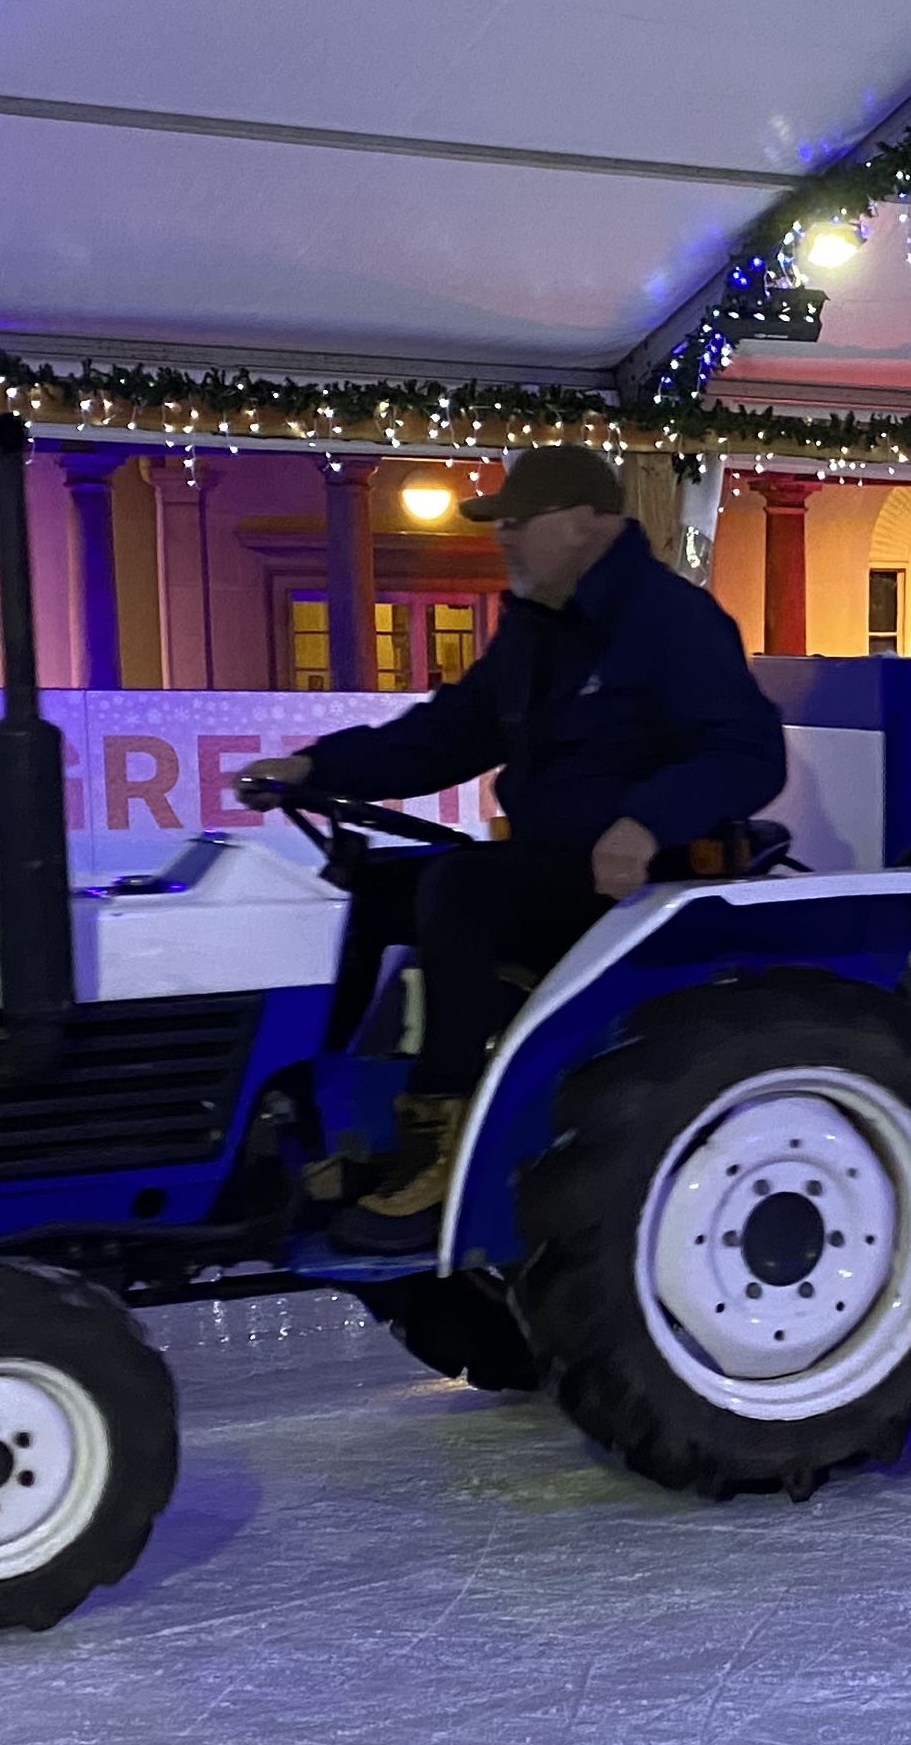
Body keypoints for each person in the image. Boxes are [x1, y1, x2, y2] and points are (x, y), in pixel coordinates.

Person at [234, 443, 783, 1254]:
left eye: (521, 521)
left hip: (641, 877)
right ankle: (325, 1121)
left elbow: (748, 753)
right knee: (370, 891)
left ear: (587, 522)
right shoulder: (534, 631)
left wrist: (646, 822)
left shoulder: (670, 618)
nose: (506, 536)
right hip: (554, 865)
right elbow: (447, 736)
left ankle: (443, 1153)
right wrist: (318, 768)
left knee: (462, 890)